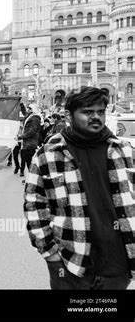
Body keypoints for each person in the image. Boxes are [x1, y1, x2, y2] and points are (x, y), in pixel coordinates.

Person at [24, 86, 135, 290]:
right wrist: (50, 254)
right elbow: (34, 206)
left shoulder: (124, 151)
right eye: (87, 112)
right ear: (69, 115)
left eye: (100, 112)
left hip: (117, 265)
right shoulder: (48, 155)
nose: (96, 117)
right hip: (70, 265)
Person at [18, 103, 41, 178]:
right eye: (28, 108)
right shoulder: (30, 116)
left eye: (30, 108)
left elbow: (31, 131)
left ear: (34, 109)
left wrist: (21, 136)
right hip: (26, 144)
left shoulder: (35, 118)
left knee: (30, 163)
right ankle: (30, 179)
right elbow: (24, 113)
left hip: (30, 144)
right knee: (27, 161)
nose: (28, 110)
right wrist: (21, 105)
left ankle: (32, 179)